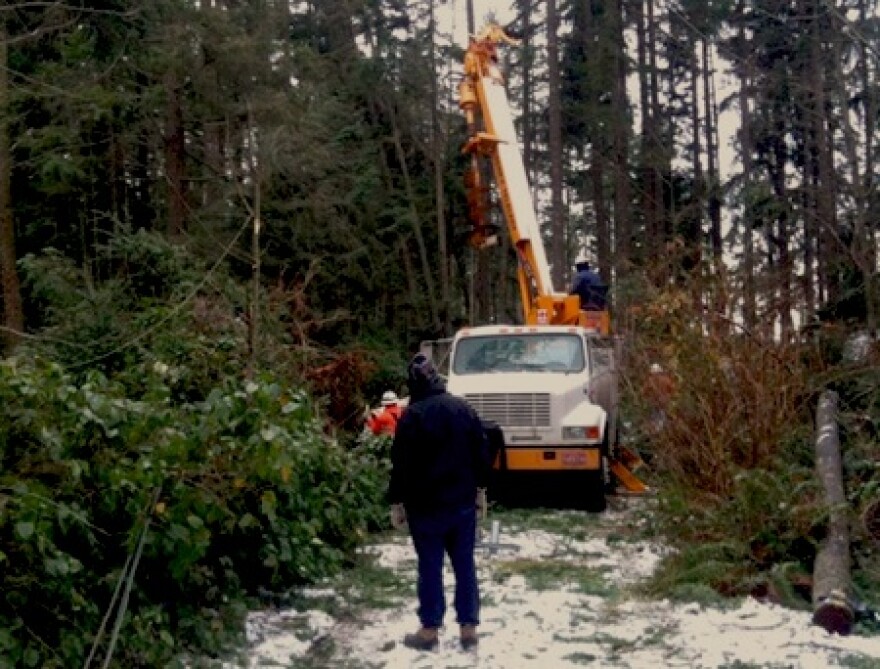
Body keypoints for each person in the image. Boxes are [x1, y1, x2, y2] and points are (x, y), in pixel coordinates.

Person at [388, 353, 491, 651]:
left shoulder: (412, 417)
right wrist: (481, 488)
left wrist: (397, 501)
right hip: (461, 503)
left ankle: (429, 630)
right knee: (464, 564)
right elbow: (481, 452)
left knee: (430, 567)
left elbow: (401, 464)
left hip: (425, 507)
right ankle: (468, 629)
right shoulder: (462, 409)